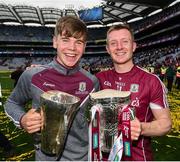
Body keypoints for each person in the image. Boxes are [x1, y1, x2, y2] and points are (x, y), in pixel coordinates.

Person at [4, 16, 99, 161]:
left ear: (84, 46)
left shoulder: (92, 82)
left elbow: (94, 123)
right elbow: (11, 103)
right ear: (55, 42)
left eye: (78, 42)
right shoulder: (33, 76)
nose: (72, 48)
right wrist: (22, 119)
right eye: (65, 40)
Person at [96, 24, 172, 161]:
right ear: (107, 49)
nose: (119, 47)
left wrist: (142, 128)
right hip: (102, 157)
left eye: (125, 41)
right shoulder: (99, 79)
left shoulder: (151, 81)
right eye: (113, 43)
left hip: (138, 157)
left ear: (134, 46)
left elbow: (165, 123)